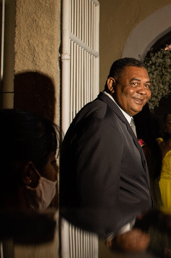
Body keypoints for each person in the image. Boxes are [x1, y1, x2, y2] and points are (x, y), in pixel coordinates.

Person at [60, 58, 153, 231]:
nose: (143, 91)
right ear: (111, 84)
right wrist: (113, 237)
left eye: (147, 85)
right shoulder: (104, 122)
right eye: (135, 83)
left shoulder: (113, 116)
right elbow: (96, 199)